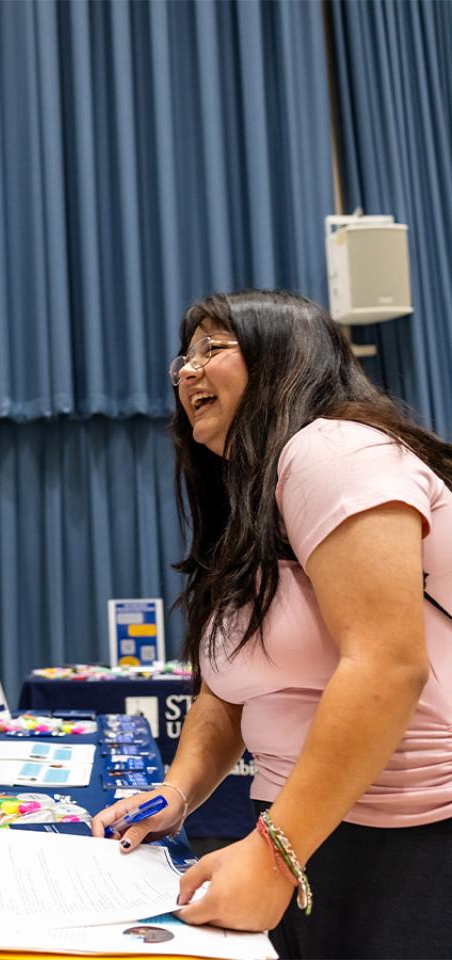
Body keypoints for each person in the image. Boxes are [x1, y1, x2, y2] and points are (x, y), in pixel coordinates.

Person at [92, 290, 452, 959]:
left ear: (284, 356)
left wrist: (276, 853)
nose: (185, 372)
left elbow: (386, 663)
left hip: (408, 841)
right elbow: (228, 691)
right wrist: (178, 791)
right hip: (305, 829)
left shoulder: (333, 450)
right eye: (184, 357)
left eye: (213, 348)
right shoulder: (251, 505)